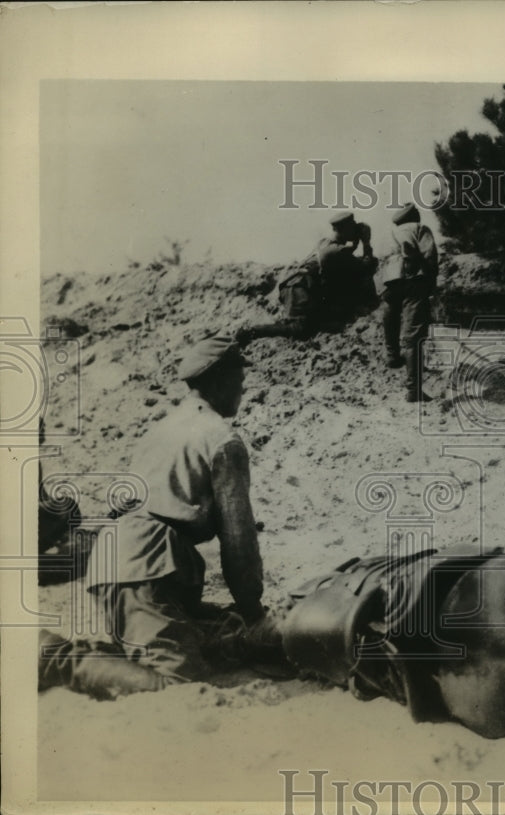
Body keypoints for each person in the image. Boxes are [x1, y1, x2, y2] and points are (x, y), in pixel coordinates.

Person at [38, 334, 279, 698]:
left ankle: (87, 658)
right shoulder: (221, 439)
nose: (242, 390)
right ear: (220, 380)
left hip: (123, 561)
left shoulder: (162, 428)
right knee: (177, 685)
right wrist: (252, 607)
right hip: (147, 566)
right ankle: (50, 657)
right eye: (239, 381)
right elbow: (238, 539)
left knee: (167, 652)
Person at [237, 211, 377, 345]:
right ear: (345, 229)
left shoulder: (325, 242)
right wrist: (366, 242)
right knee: (301, 329)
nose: (356, 229)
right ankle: (251, 331)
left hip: (296, 284)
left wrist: (355, 243)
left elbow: (342, 255)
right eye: (353, 227)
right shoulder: (335, 252)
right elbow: (366, 266)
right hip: (299, 288)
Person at [382, 202, 438, 402]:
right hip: (413, 280)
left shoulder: (392, 233)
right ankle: (414, 390)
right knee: (414, 334)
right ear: (415, 216)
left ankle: (392, 356)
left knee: (390, 316)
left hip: (390, 281)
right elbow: (430, 255)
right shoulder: (420, 229)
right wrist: (431, 284)